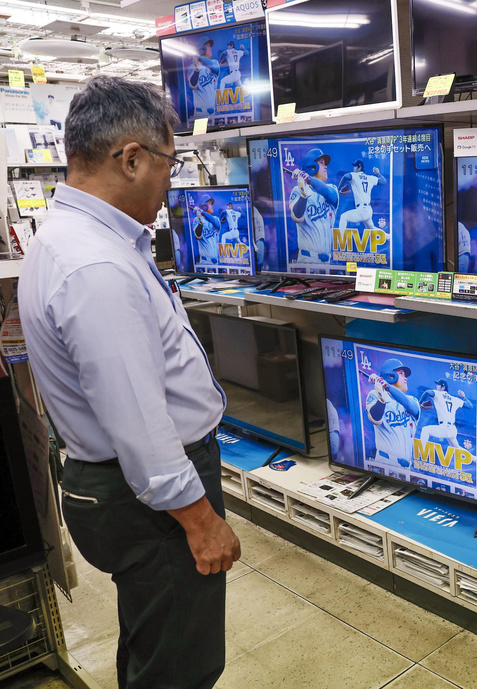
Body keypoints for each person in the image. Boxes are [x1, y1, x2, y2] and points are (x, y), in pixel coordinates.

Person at [17, 76, 240, 689]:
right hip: (148, 499)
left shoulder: (73, 239)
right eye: (169, 163)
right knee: (181, 664)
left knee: (154, 635)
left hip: (125, 488)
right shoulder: (96, 267)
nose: (172, 184)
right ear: (131, 158)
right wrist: (200, 521)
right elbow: (139, 422)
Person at [365, 358, 421, 468]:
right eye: (401, 374)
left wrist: (386, 386)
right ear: (390, 376)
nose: (406, 379)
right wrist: (382, 397)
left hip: (406, 466)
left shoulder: (411, 399)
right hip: (385, 462)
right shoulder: (375, 394)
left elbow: (412, 408)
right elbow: (375, 419)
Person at [289, 147, 339, 265]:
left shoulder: (332, 188)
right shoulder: (297, 191)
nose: (325, 166)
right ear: (312, 167)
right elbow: (297, 216)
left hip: (327, 260)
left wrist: (308, 179)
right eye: (321, 163)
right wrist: (304, 196)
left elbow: (329, 193)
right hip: (307, 259)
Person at [418, 379, 472, 450]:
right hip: (452, 429)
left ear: (443, 387)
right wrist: (464, 397)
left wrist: (419, 403)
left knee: (425, 430)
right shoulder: (454, 399)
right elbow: (469, 406)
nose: (436, 386)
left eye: (438, 385)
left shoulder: (438, 393)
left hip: (444, 428)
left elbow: (427, 392)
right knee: (456, 448)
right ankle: (474, 458)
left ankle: (421, 452)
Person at [337, 159, 386, 233]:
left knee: (344, 217)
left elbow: (345, 176)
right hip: (368, 209)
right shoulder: (370, 178)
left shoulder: (355, 175)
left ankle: (340, 241)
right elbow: (383, 181)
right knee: (371, 229)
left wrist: (338, 189)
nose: (354, 168)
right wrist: (378, 174)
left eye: (355, 166)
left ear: (359, 167)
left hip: (362, 209)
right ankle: (388, 236)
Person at [187, 37, 219, 120]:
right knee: (201, 133)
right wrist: (196, 71)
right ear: (202, 49)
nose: (210, 48)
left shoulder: (214, 62)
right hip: (200, 114)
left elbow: (215, 68)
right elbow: (192, 86)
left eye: (210, 46)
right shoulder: (192, 67)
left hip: (213, 113)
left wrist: (199, 57)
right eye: (208, 46)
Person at [191, 194, 222, 266]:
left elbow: (216, 224)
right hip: (205, 262)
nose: (212, 206)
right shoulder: (197, 220)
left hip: (216, 262)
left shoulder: (216, 218)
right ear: (204, 206)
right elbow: (197, 235)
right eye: (210, 204)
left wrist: (201, 212)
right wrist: (200, 222)